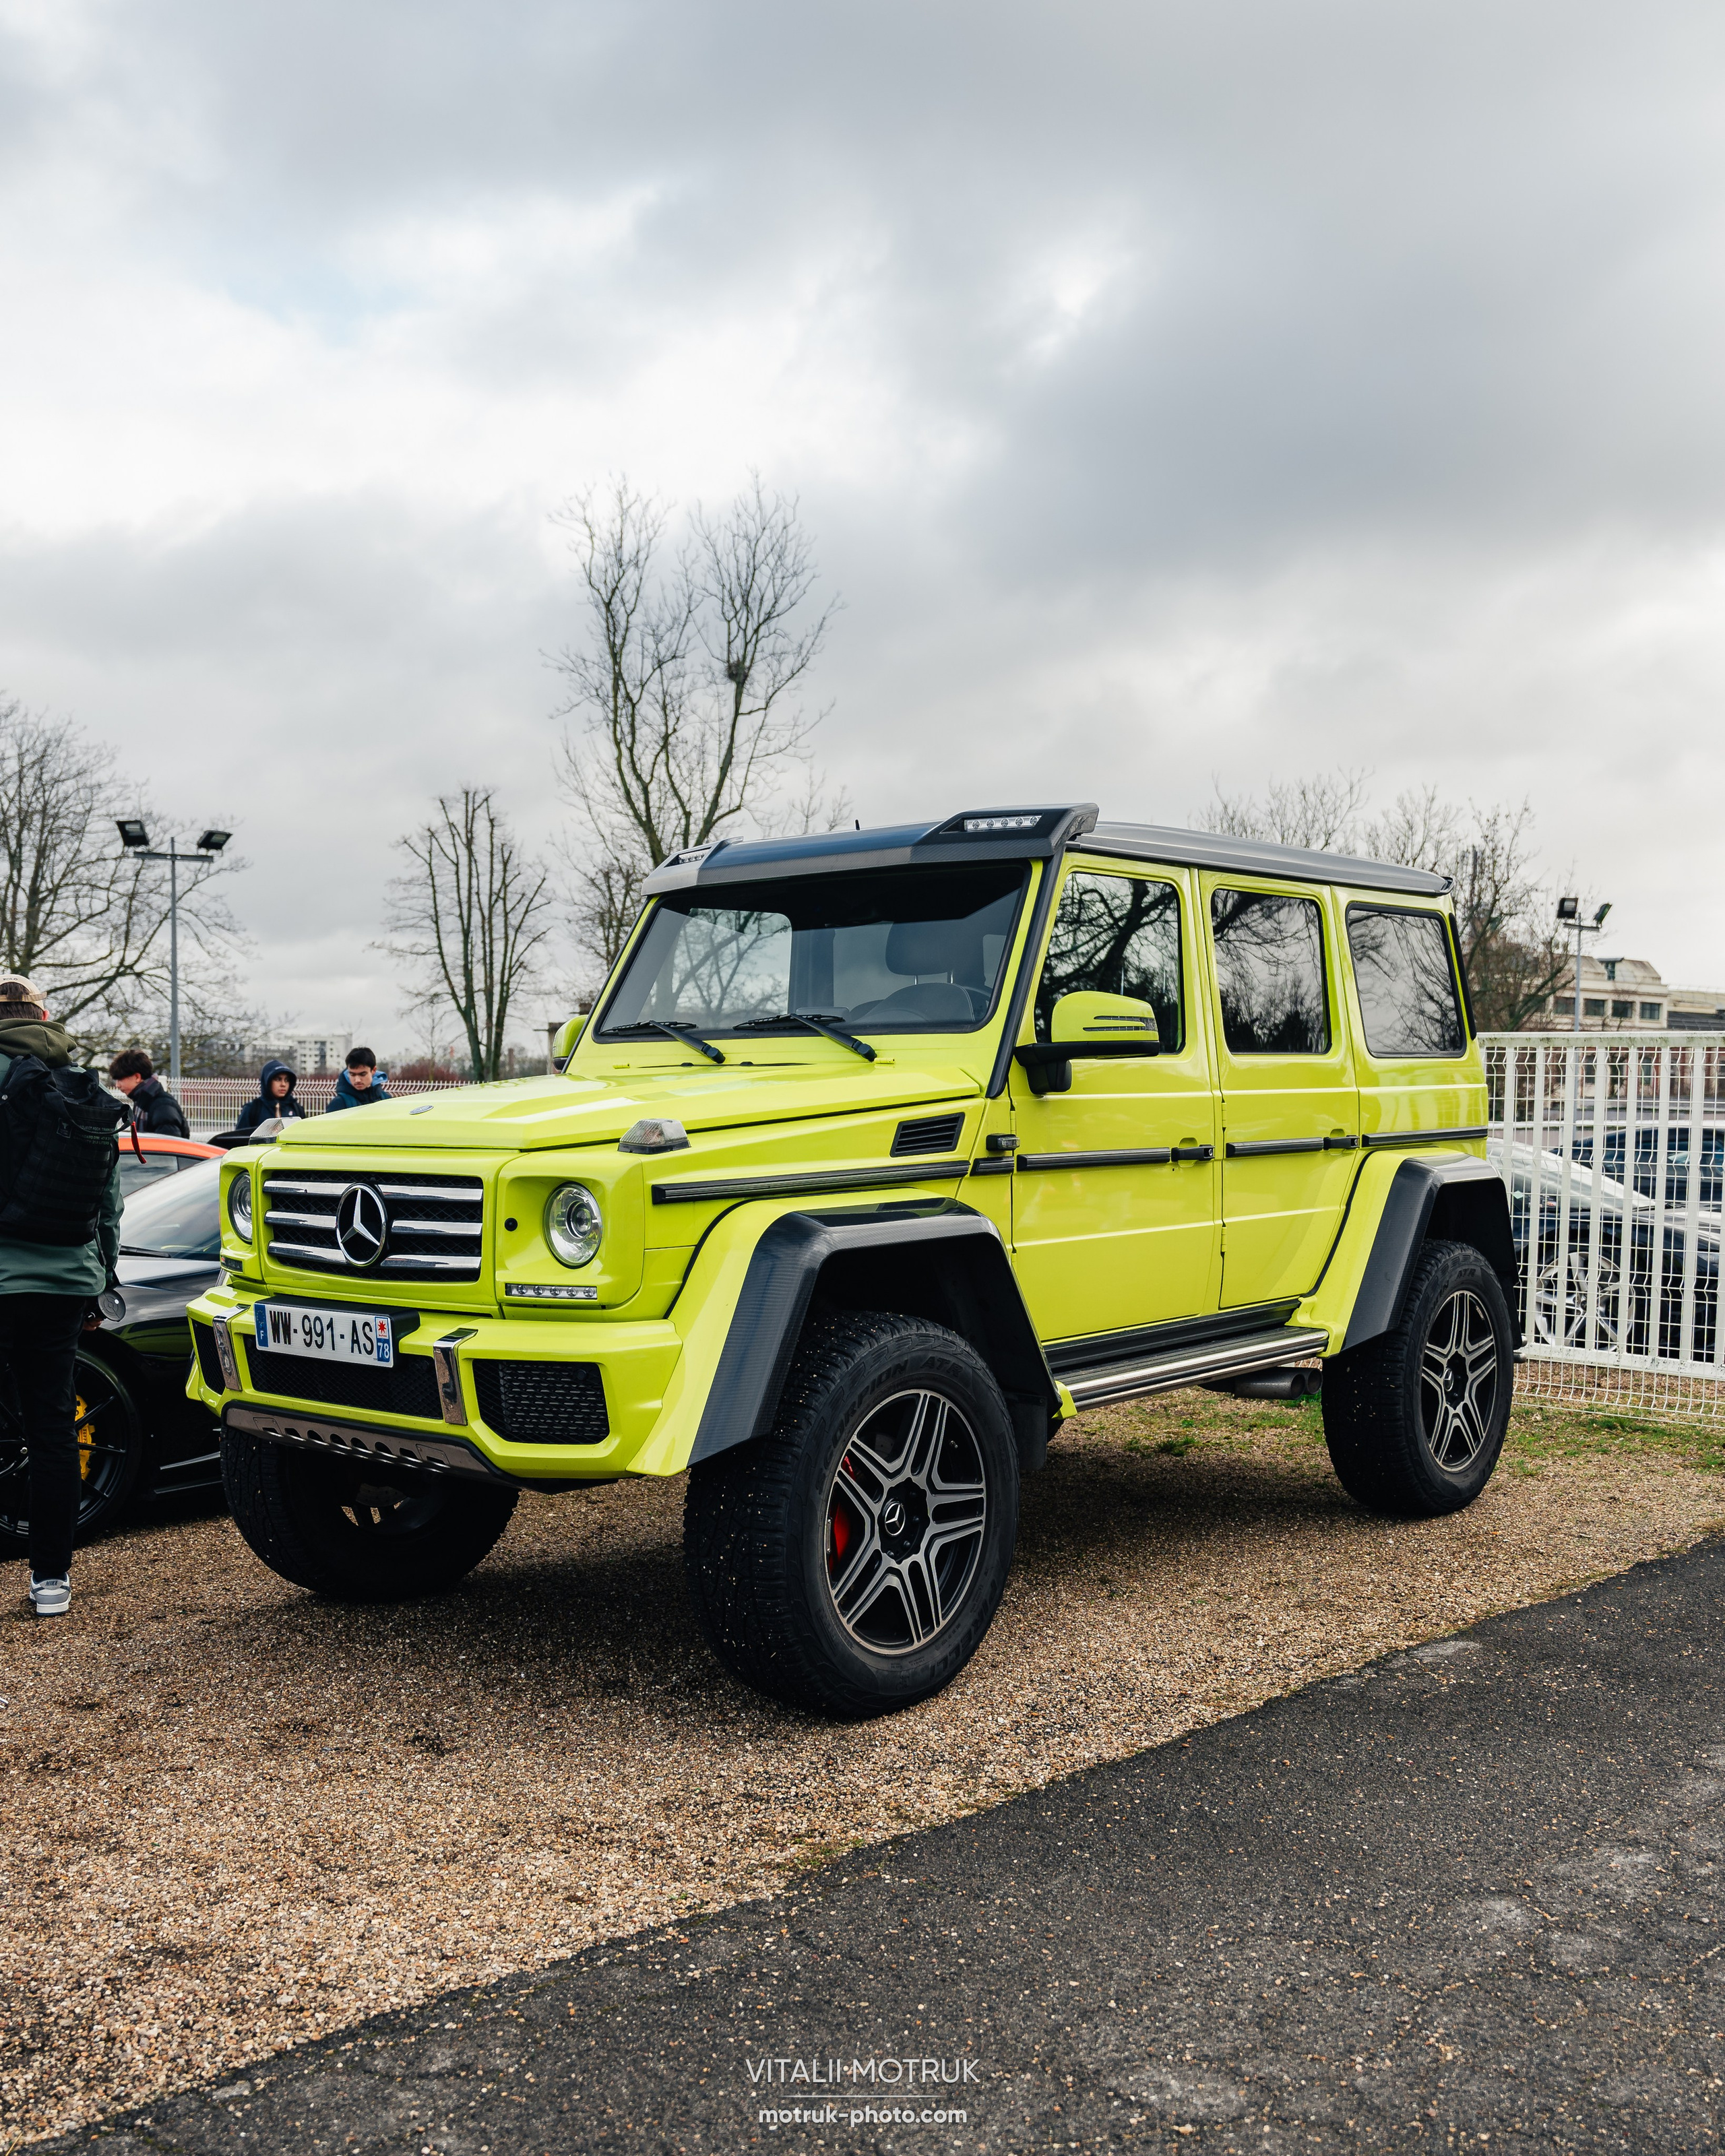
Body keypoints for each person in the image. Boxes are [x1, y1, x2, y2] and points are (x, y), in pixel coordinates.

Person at [0, 975, 123, 1618]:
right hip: (63, 1281)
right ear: (43, 1016)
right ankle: (50, 1580)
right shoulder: (79, 1084)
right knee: (52, 1429)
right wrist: (103, 1278)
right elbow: (108, 1202)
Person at [106, 1048, 191, 1139]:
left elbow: (169, 1146)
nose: (117, 1085)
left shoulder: (161, 1105)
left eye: (120, 1079)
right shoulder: (145, 1101)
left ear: (137, 1077)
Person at [234, 1060, 308, 1137]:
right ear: (267, 1081)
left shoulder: (297, 1109)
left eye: (287, 1080)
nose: (283, 1084)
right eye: (278, 1079)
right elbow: (239, 1140)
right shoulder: (253, 1109)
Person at [325, 1046, 391, 1113]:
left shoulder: (386, 1099)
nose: (357, 1080)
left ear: (373, 1070)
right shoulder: (339, 1104)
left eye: (363, 1074)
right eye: (352, 1074)